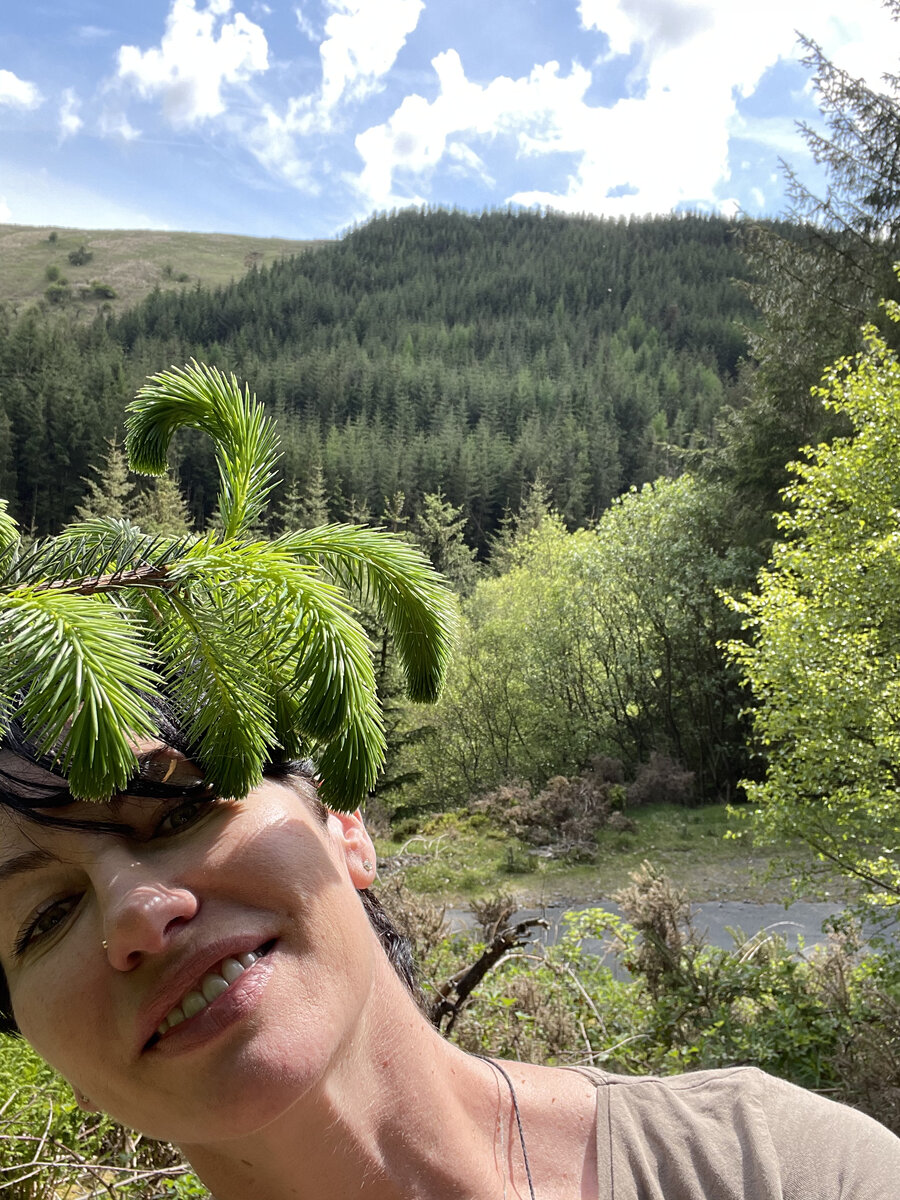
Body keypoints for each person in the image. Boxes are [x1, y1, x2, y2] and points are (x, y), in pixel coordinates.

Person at [0, 720, 898, 1200]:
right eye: (45, 918)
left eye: (181, 810)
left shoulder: (772, 1168)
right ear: (42, 1051)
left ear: (343, 826)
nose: (139, 914)